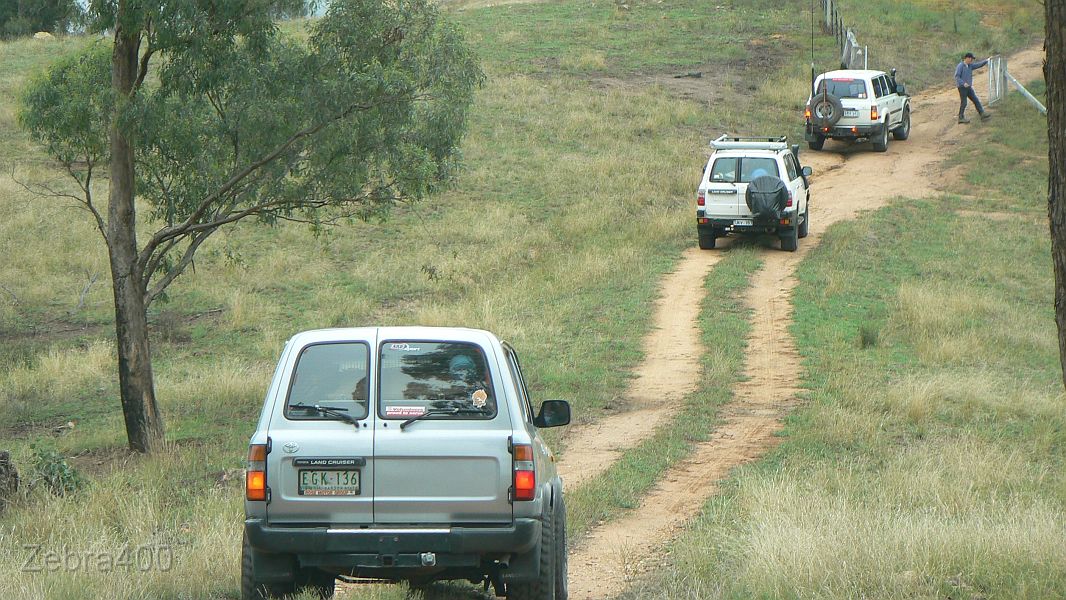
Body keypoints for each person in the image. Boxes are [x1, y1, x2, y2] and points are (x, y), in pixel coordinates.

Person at [955, 52, 991, 124]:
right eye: (971, 59)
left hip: (968, 87)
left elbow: (978, 65)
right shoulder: (960, 66)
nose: (972, 60)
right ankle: (960, 118)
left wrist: (987, 60)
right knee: (964, 102)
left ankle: (982, 114)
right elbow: (957, 76)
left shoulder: (970, 65)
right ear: (967, 58)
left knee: (975, 100)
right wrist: (963, 83)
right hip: (962, 87)